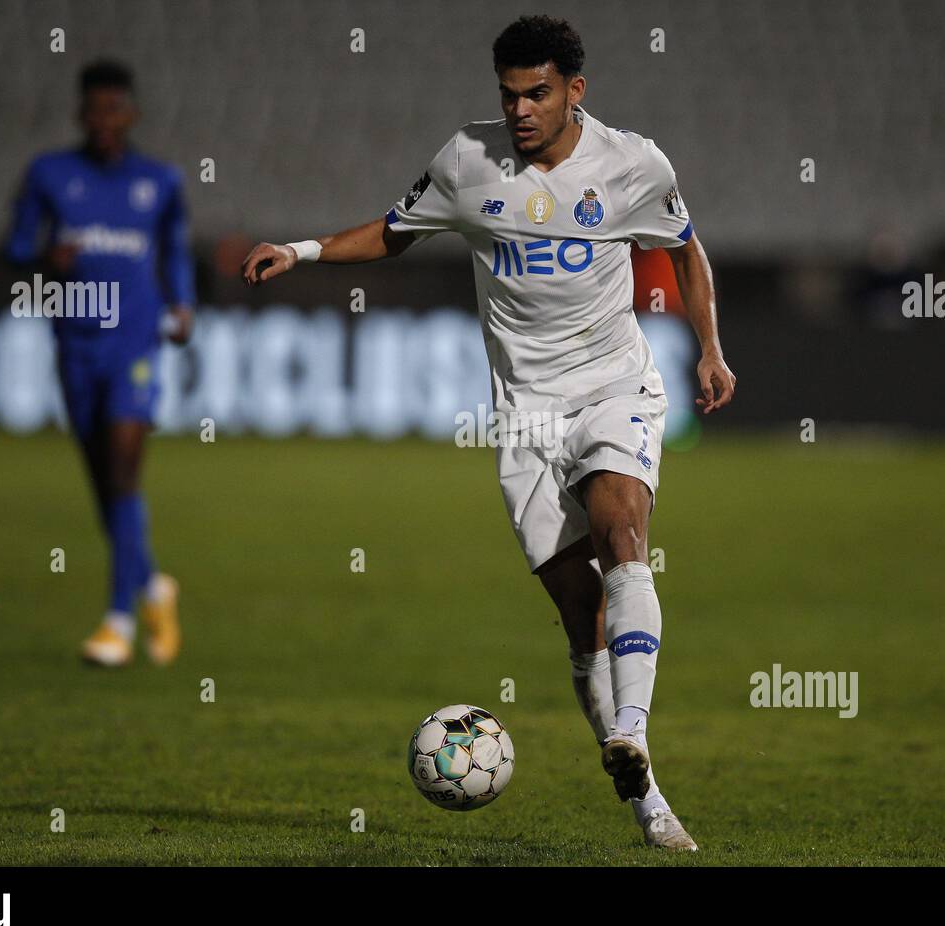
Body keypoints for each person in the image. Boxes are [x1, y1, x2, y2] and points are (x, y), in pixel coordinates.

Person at [242, 15, 735, 849]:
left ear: (575, 90)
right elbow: (393, 234)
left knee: (623, 531)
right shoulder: (467, 163)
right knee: (581, 619)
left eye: (537, 93)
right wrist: (301, 250)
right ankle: (644, 796)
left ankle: (636, 739)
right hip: (525, 415)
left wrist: (710, 350)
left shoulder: (632, 165)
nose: (520, 110)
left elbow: (687, 249)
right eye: (508, 96)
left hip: (615, 386)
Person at [9, 60, 194, 667]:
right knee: (104, 487)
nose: (105, 121)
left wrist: (183, 305)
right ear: (80, 115)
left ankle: (117, 622)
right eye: (95, 111)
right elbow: (14, 252)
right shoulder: (49, 175)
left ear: (132, 113)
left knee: (121, 473)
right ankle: (151, 587)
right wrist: (43, 261)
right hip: (74, 344)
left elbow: (175, 251)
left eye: (115, 109)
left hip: (134, 344)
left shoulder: (159, 182)